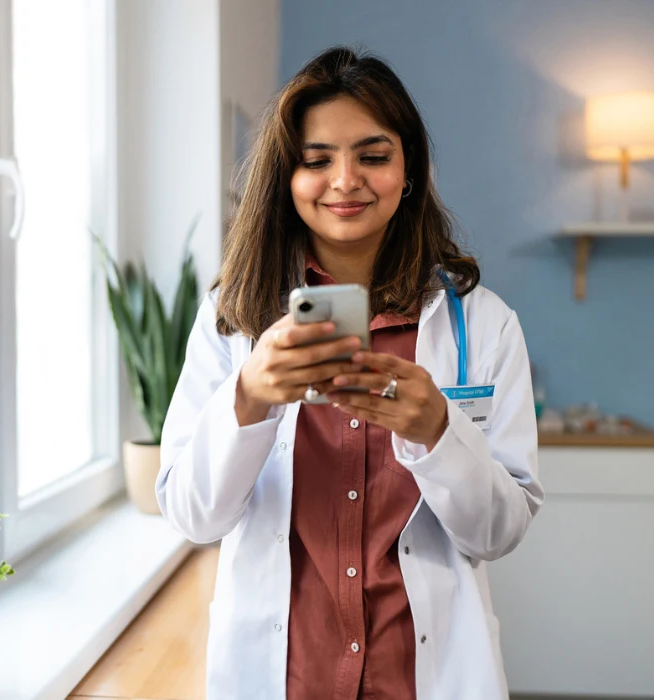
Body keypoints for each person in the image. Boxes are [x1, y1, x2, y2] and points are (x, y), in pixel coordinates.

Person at [157, 46, 543, 700]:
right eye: (316, 160)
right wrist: (248, 397)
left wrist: (439, 432)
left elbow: (499, 533)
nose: (345, 180)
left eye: (373, 155)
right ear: (287, 177)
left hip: (422, 677)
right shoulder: (233, 319)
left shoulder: (482, 323)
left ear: (409, 170)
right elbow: (194, 516)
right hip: (285, 676)